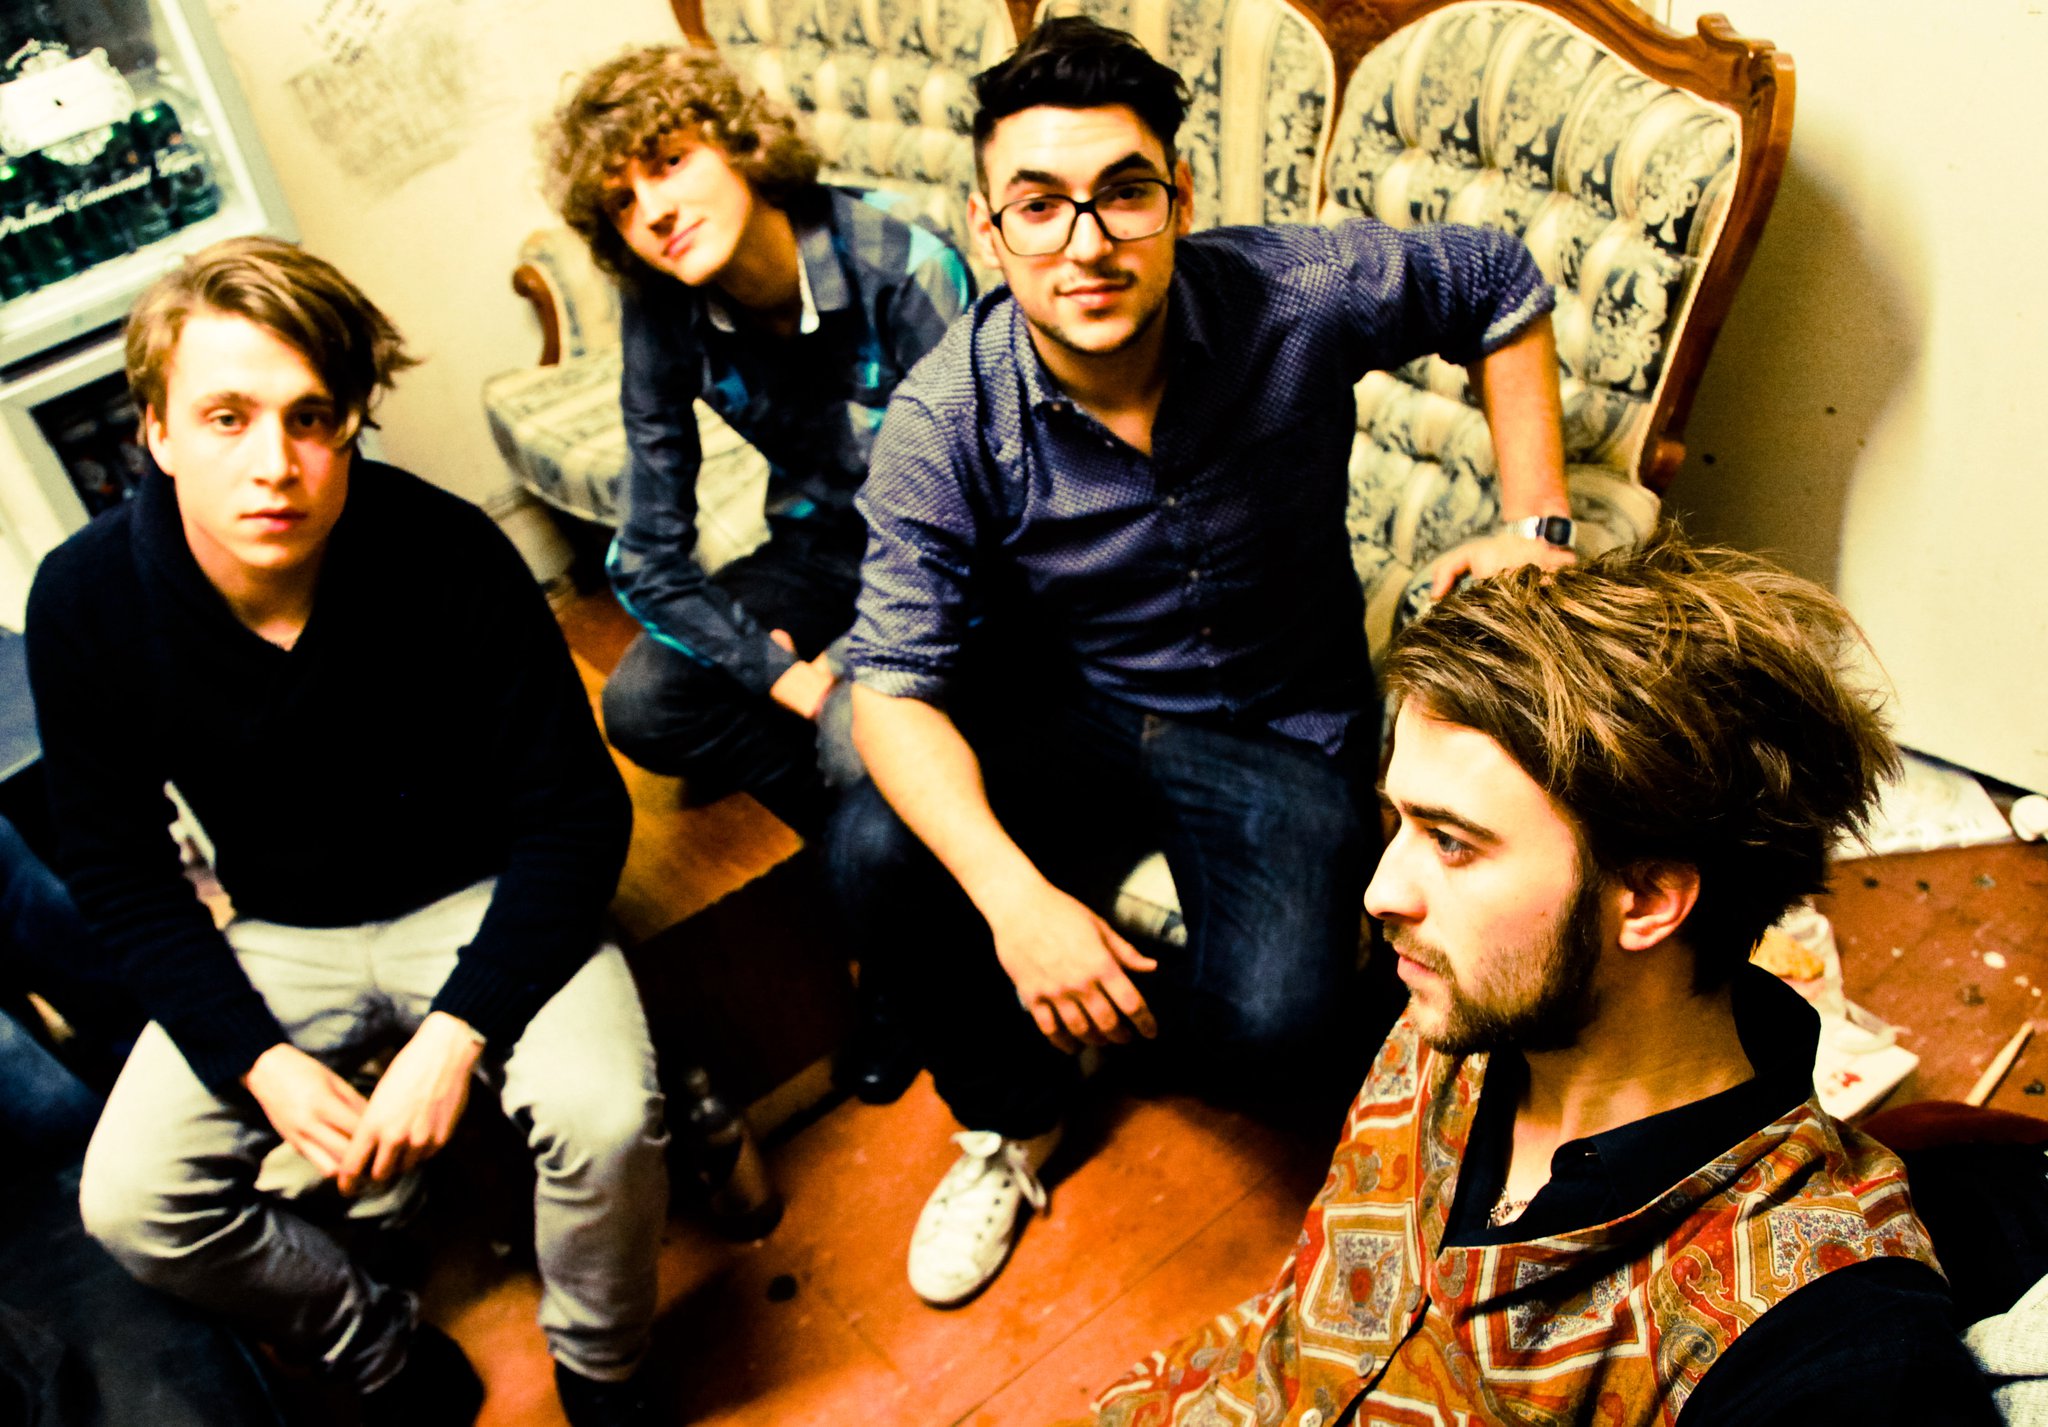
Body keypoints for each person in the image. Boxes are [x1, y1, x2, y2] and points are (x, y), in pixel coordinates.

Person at [836, 14, 1577, 1307]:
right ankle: (1012, 1113)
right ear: (986, 229)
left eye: (1123, 193)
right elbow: (891, 685)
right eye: (1040, 206)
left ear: (1178, 196)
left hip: (1285, 725)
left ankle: (1119, 1021)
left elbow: (1496, 280)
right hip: (1087, 701)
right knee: (866, 841)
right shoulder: (943, 417)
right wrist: (1017, 906)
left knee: (1278, 1029)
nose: (1086, 242)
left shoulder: (1294, 291)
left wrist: (1537, 525)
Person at [1076, 533, 2001, 1427]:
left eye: (1451, 842)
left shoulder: (1818, 1342)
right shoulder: (1464, 1001)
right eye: (1399, 822)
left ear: (1648, 898)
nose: (1381, 891)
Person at [25, 237, 668, 1427]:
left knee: (604, 1115)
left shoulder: (444, 547)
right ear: (155, 432)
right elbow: (120, 870)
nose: (275, 464)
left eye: (311, 418)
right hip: (284, 927)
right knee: (128, 1198)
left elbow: (576, 812)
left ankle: (603, 1366)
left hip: (482, 888)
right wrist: (256, 1059)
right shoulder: (84, 600)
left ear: (352, 425)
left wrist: (459, 1029)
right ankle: (376, 1346)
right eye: (226, 417)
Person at [543, 45, 977, 1102]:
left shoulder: (900, 263)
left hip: (946, 561)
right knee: (644, 702)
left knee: (853, 737)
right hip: (819, 546)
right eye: (622, 200)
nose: (653, 210)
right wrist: (785, 673)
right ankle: (866, 864)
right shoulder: (662, 304)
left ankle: (893, 962)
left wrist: (846, 673)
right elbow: (647, 556)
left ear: (741, 146)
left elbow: (981, 509)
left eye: (667, 161)